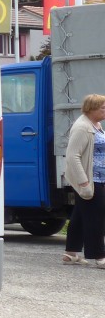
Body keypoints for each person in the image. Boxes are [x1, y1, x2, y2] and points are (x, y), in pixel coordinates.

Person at [62, 93, 105, 266]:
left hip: (99, 177)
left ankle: (71, 253)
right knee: (96, 217)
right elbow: (73, 156)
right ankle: (99, 257)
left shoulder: (96, 125)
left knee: (80, 215)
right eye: (103, 108)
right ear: (91, 109)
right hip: (90, 180)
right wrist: (84, 182)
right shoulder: (82, 127)